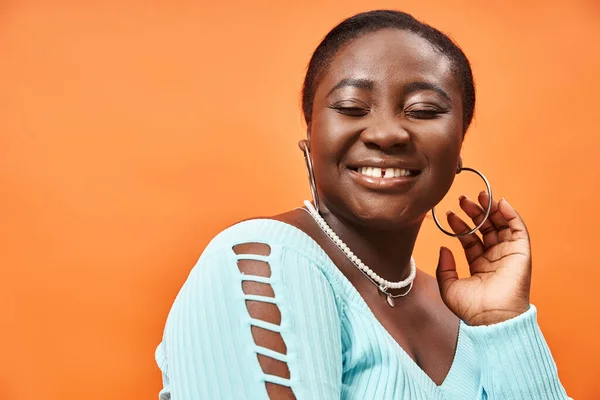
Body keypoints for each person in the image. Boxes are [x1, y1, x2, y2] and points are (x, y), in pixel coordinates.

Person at [155, 9, 570, 400]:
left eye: (423, 110)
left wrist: (505, 324)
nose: (387, 134)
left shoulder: (464, 311)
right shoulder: (267, 259)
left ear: (459, 145)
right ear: (311, 139)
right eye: (352, 107)